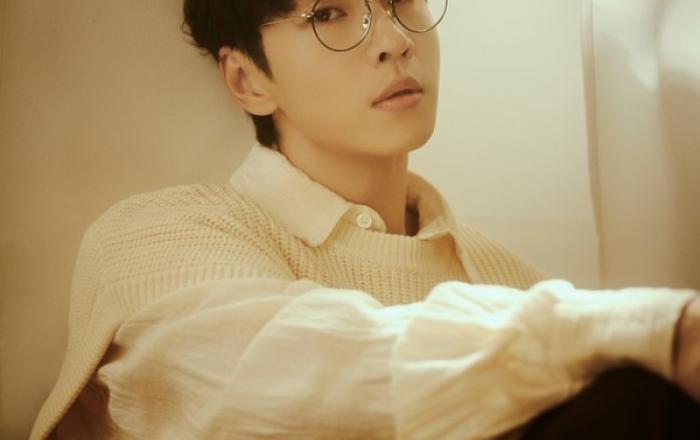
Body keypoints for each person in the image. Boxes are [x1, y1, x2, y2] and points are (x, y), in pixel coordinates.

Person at [31, 0, 700, 439]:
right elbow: (294, 378)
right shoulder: (155, 237)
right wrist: (651, 328)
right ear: (247, 81)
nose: (394, 41)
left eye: (402, 2)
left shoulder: (505, 277)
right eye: (330, 12)